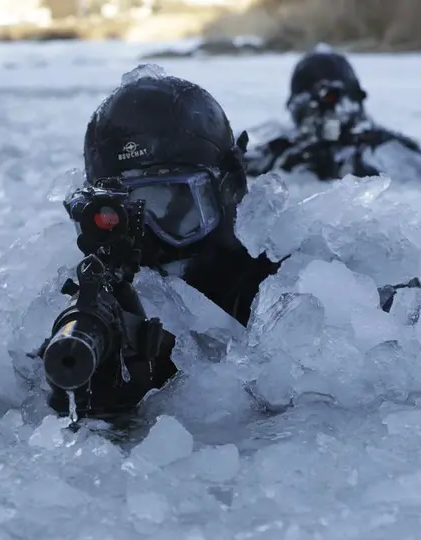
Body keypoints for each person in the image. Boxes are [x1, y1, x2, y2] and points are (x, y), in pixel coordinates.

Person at [38, 70, 420, 420]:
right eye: (123, 219)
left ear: (231, 187)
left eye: (173, 205)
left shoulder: (297, 293)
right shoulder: (87, 326)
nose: (151, 241)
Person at [244, 48, 421, 181]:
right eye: (317, 104)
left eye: (335, 98)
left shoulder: (387, 149)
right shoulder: (279, 150)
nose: (330, 114)